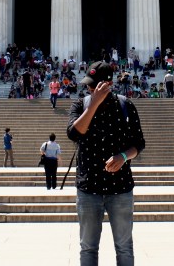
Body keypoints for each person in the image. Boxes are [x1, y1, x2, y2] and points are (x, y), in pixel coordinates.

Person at [67, 61, 146, 266]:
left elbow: (138, 144)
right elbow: (74, 133)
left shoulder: (125, 106)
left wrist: (123, 156)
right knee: (88, 248)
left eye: (94, 86)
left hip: (119, 188)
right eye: (89, 86)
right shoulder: (80, 105)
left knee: (124, 247)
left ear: (108, 84)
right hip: (88, 188)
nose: (89, 89)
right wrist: (93, 103)